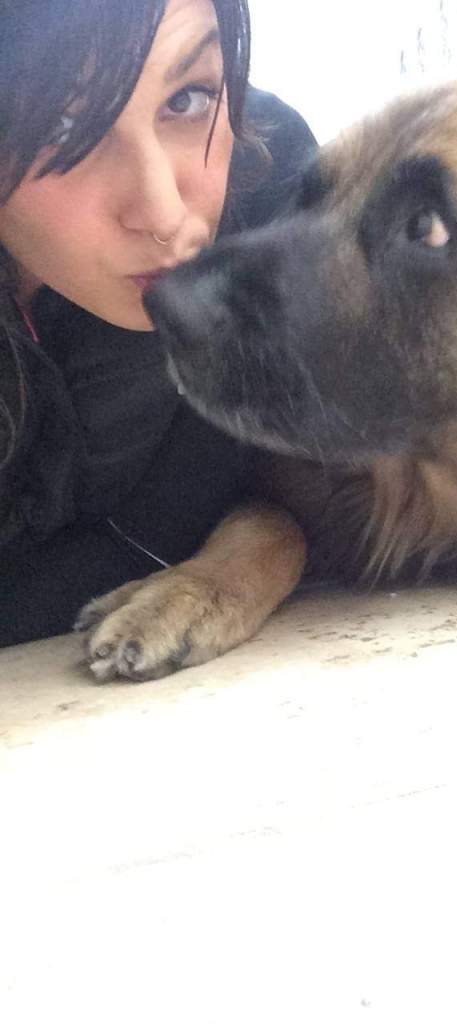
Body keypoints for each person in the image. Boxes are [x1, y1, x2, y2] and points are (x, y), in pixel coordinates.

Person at [0, 0, 317, 646]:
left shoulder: (279, 196)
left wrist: (265, 542)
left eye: (188, 98)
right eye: (64, 125)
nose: (164, 211)